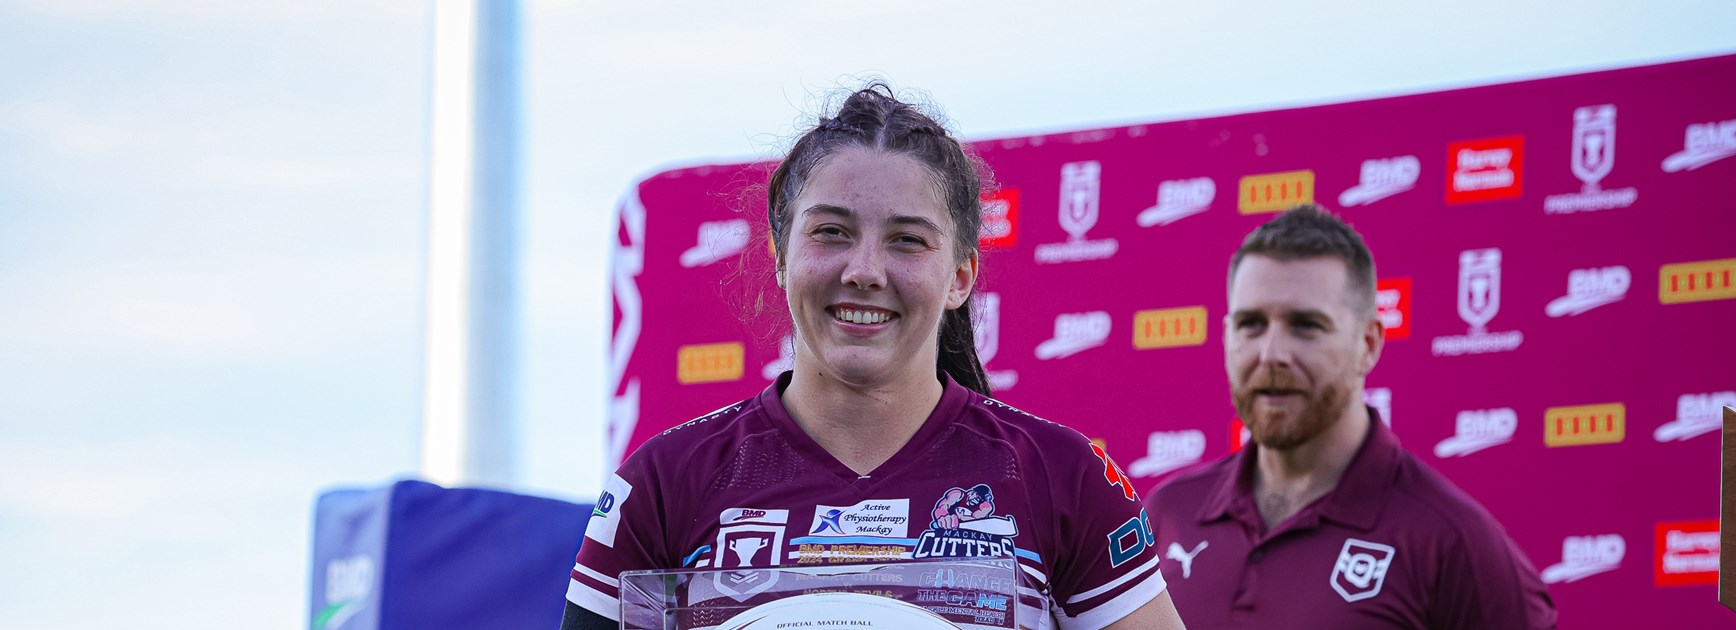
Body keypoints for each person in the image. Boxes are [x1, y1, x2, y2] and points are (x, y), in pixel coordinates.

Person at [561, 85, 1186, 629]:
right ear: (782, 255)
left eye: (907, 241)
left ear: (961, 277)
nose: (864, 271)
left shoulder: (1064, 477)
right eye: (831, 232)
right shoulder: (663, 483)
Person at [1143, 205, 1555, 628]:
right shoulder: (1168, 514)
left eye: (1306, 325)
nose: (1272, 354)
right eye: (1251, 324)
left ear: (1368, 344)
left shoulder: (1452, 540)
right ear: (1226, 335)